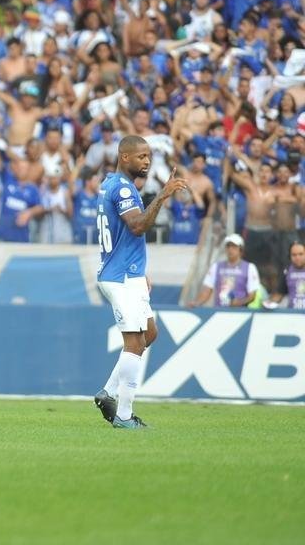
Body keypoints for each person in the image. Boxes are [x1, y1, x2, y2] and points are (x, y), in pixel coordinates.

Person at [93, 136, 187, 430]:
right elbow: (136, 226)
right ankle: (123, 416)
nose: (146, 162)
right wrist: (162, 195)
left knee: (150, 333)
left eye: (148, 156)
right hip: (120, 277)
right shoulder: (122, 187)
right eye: (141, 157)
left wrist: (138, 270)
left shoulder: (111, 183)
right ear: (124, 157)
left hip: (128, 273)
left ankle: (107, 392)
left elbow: (124, 234)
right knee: (133, 343)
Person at [187, 234, 261, 309]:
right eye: (228, 246)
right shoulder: (216, 267)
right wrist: (196, 303)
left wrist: (239, 303)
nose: (230, 249)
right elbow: (206, 290)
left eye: (234, 246)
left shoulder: (250, 268)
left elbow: (252, 295)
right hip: (219, 311)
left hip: (241, 312)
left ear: (240, 249)